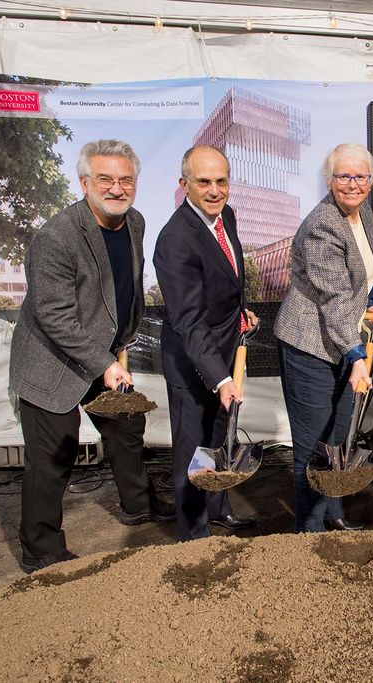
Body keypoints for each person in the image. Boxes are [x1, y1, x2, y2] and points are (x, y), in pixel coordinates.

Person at [10, 139, 173, 573]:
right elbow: (54, 316)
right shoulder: (56, 237)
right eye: (105, 179)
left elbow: (124, 289)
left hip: (103, 354)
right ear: (85, 183)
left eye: (125, 180)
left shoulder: (133, 221)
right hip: (52, 362)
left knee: (126, 428)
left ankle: (138, 505)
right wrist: (104, 363)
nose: (116, 188)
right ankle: (40, 547)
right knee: (52, 457)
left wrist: (120, 344)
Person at [274, 144, 373, 533]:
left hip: (341, 337)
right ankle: (308, 533)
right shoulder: (323, 223)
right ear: (329, 180)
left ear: (371, 180)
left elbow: (357, 282)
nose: (353, 184)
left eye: (361, 176)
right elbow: (335, 296)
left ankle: (333, 515)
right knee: (313, 445)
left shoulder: (361, 214)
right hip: (309, 343)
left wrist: (369, 306)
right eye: (343, 176)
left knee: (340, 435)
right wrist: (357, 355)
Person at [154, 145, 259, 542]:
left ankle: (219, 510)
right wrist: (219, 379)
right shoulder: (175, 240)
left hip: (226, 350)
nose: (214, 191)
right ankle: (194, 534)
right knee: (193, 448)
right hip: (192, 361)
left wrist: (242, 311)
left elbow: (232, 277)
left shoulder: (224, 216)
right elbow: (189, 321)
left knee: (220, 437)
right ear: (184, 185)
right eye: (203, 182)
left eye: (221, 181)